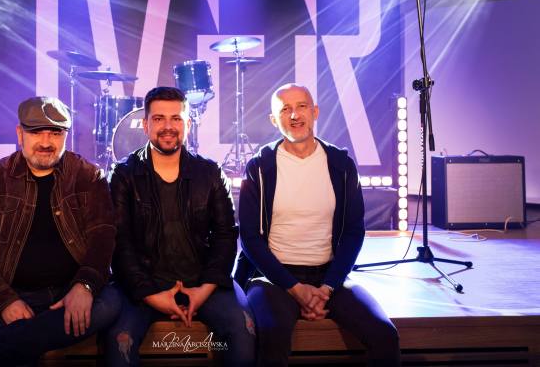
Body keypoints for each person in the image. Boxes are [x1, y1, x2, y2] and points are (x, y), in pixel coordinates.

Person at [235, 83, 400, 366]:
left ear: (315, 112)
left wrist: (327, 288)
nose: (294, 115)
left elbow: (353, 232)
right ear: (274, 120)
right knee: (272, 335)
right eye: (285, 109)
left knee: (384, 334)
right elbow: (250, 238)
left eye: (301, 106)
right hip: (274, 279)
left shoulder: (341, 164)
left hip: (330, 277)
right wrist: (295, 288)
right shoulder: (259, 166)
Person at [0, 96, 120, 366]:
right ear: (20, 134)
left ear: (66, 135)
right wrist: (5, 301)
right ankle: (25, 337)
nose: (46, 142)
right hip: (17, 292)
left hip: (72, 288)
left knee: (111, 303)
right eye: (36, 132)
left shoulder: (88, 176)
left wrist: (85, 286)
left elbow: (103, 236)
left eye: (55, 133)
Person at [105, 86, 255, 366]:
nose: (168, 127)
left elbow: (225, 236)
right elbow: (120, 244)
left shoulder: (209, 173)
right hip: (142, 285)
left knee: (244, 331)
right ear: (146, 124)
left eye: (176, 118)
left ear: (188, 123)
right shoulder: (124, 175)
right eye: (159, 119)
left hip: (203, 282)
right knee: (119, 342)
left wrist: (204, 290)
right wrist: (152, 296)